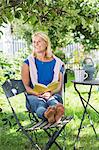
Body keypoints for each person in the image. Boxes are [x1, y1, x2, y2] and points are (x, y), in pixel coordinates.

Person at [21, 31, 65, 124]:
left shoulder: (58, 63)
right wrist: (37, 94)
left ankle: (56, 113)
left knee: (54, 102)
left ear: (46, 43)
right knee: (40, 104)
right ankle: (48, 114)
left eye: (39, 41)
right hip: (34, 96)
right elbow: (26, 87)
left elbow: (59, 86)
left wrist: (50, 93)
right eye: (34, 42)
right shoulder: (27, 63)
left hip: (52, 95)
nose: (36, 44)